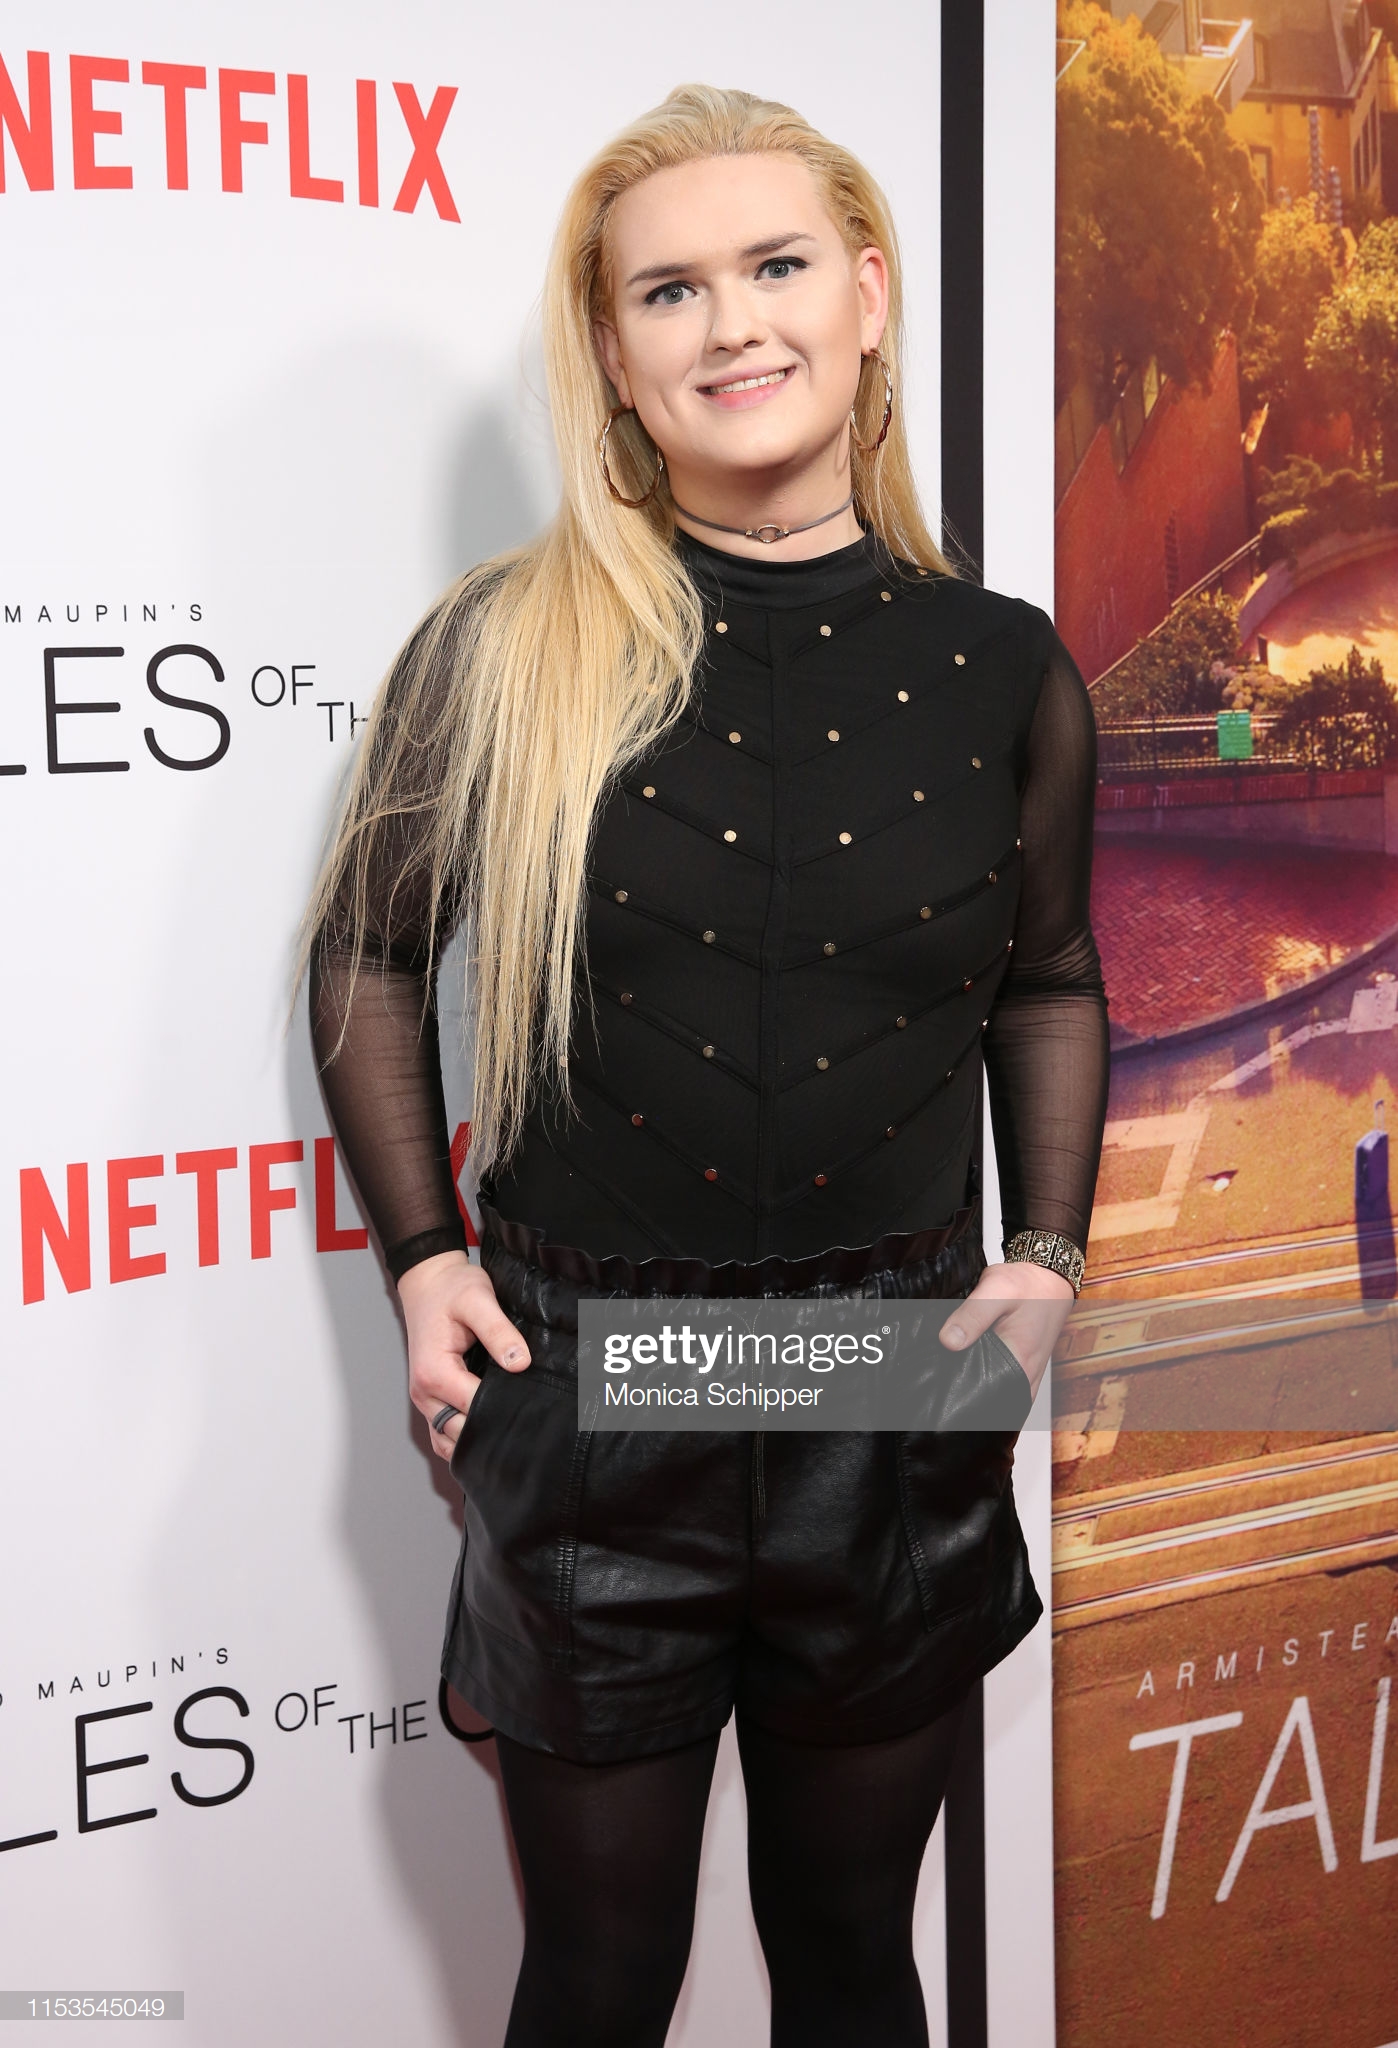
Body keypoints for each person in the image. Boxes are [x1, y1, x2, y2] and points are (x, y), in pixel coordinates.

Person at [303, 82, 1108, 2048]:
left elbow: (1048, 983)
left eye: (775, 266)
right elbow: (370, 952)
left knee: (852, 1967)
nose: (731, 323)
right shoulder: (500, 648)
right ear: (611, 351)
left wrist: (1046, 1261)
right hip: (595, 1390)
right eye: (668, 290)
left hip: (888, 1383)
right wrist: (421, 1257)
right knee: (597, 1985)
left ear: (867, 297)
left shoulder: (1004, 665)